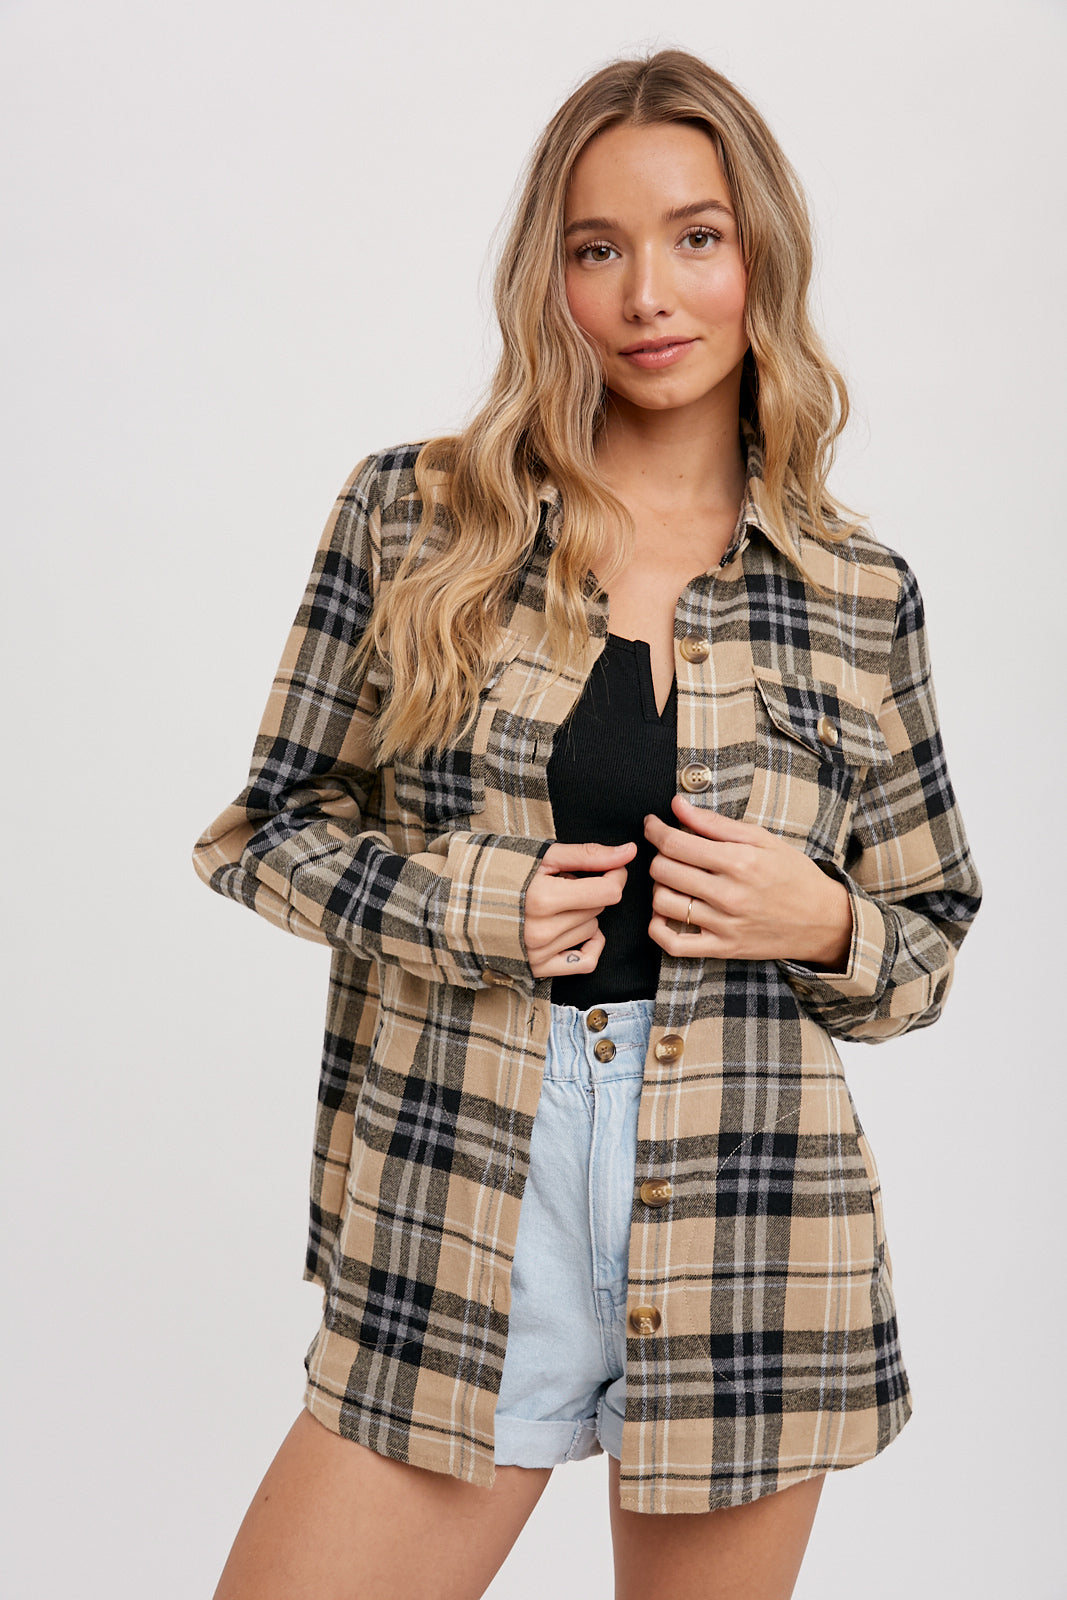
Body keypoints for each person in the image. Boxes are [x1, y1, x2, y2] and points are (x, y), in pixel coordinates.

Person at [192, 48, 981, 1600]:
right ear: (548, 280)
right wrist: (471, 906)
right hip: (465, 1182)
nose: (648, 294)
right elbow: (260, 832)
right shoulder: (417, 515)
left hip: (754, 1220)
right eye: (597, 248)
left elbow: (927, 942)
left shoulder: (856, 591)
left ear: (759, 259)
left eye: (696, 237)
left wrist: (820, 919)